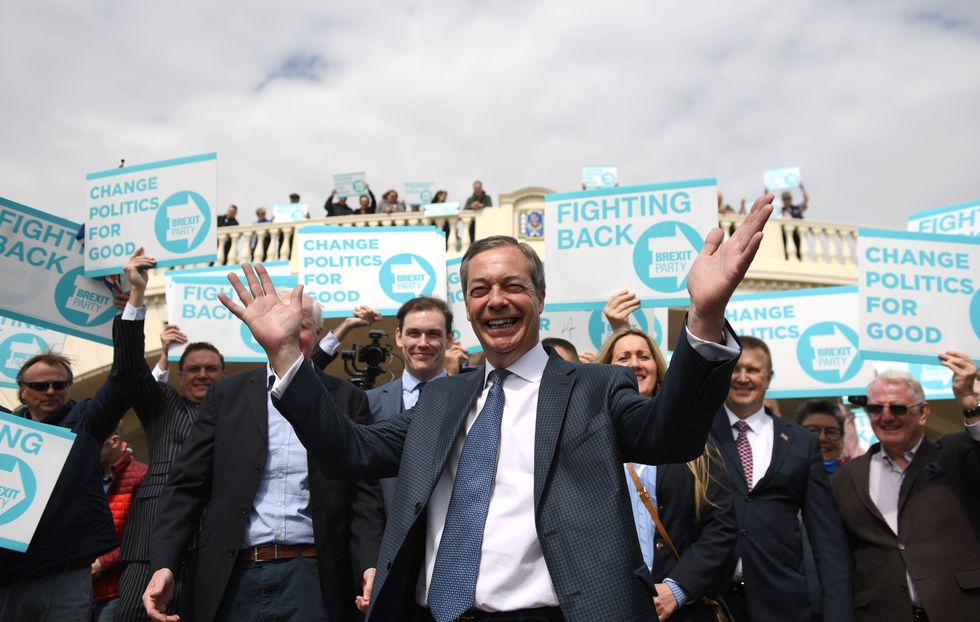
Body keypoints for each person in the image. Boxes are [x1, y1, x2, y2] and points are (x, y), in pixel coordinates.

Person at [214, 193, 773, 622]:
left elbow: (673, 437)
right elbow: (349, 450)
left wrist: (704, 315)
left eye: (512, 285)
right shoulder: (442, 398)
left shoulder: (595, 388)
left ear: (540, 298)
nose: (496, 300)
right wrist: (286, 352)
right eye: (480, 290)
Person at [143, 290, 385, 622]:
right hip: (233, 577)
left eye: (298, 325)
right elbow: (185, 488)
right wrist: (165, 564)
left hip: (312, 579)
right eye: (279, 324)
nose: (287, 333)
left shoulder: (348, 400)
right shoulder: (226, 396)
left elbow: (363, 498)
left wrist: (369, 563)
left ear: (318, 334)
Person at [113, 249, 228, 621]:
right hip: (150, 541)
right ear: (180, 377)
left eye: (212, 369)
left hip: (213, 542)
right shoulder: (162, 406)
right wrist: (136, 294)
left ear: (223, 376)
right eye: (193, 369)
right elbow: (130, 366)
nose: (203, 375)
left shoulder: (239, 414)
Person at [0, 308, 134, 620]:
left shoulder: (87, 421)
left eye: (59, 385)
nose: (50, 391)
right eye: (40, 386)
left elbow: (124, 377)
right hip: (8, 576)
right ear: (22, 390)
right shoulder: (5, 430)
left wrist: (130, 309)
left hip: (66, 575)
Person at [708, 336, 852, 622]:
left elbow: (826, 538)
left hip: (782, 604)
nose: (743, 377)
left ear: (769, 378)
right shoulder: (698, 435)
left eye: (753, 370)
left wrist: (838, 614)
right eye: (735, 369)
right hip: (709, 600)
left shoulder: (800, 442)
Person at [597, 328, 737, 622]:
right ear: (604, 371)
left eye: (643, 356)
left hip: (681, 611)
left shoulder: (692, 438)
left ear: (657, 368)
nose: (635, 363)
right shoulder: (586, 440)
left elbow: (721, 523)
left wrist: (677, 589)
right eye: (623, 356)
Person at [831, 352, 980, 622]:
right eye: (876, 408)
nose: (886, 417)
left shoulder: (955, 454)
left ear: (923, 413)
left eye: (897, 408)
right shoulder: (846, 478)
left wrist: (970, 402)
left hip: (959, 609)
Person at [314, 297, 464, 513]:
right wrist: (345, 327)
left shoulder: (470, 396)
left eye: (433, 334)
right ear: (398, 337)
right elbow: (306, 379)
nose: (423, 343)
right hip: (387, 537)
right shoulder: (368, 402)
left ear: (449, 339)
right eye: (413, 333)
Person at [91, 429, 148, 622]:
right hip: (81, 588)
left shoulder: (141, 476)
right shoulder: (85, 476)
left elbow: (143, 538)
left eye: (92, 442)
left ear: (114, 441)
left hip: (116, 590)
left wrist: (102, 563)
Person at [796, 399, 848, 474]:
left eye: (831, 432)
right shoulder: (780, 479)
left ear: (842, 440)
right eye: (813, 431)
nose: (822, 438)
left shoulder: (854, 479)